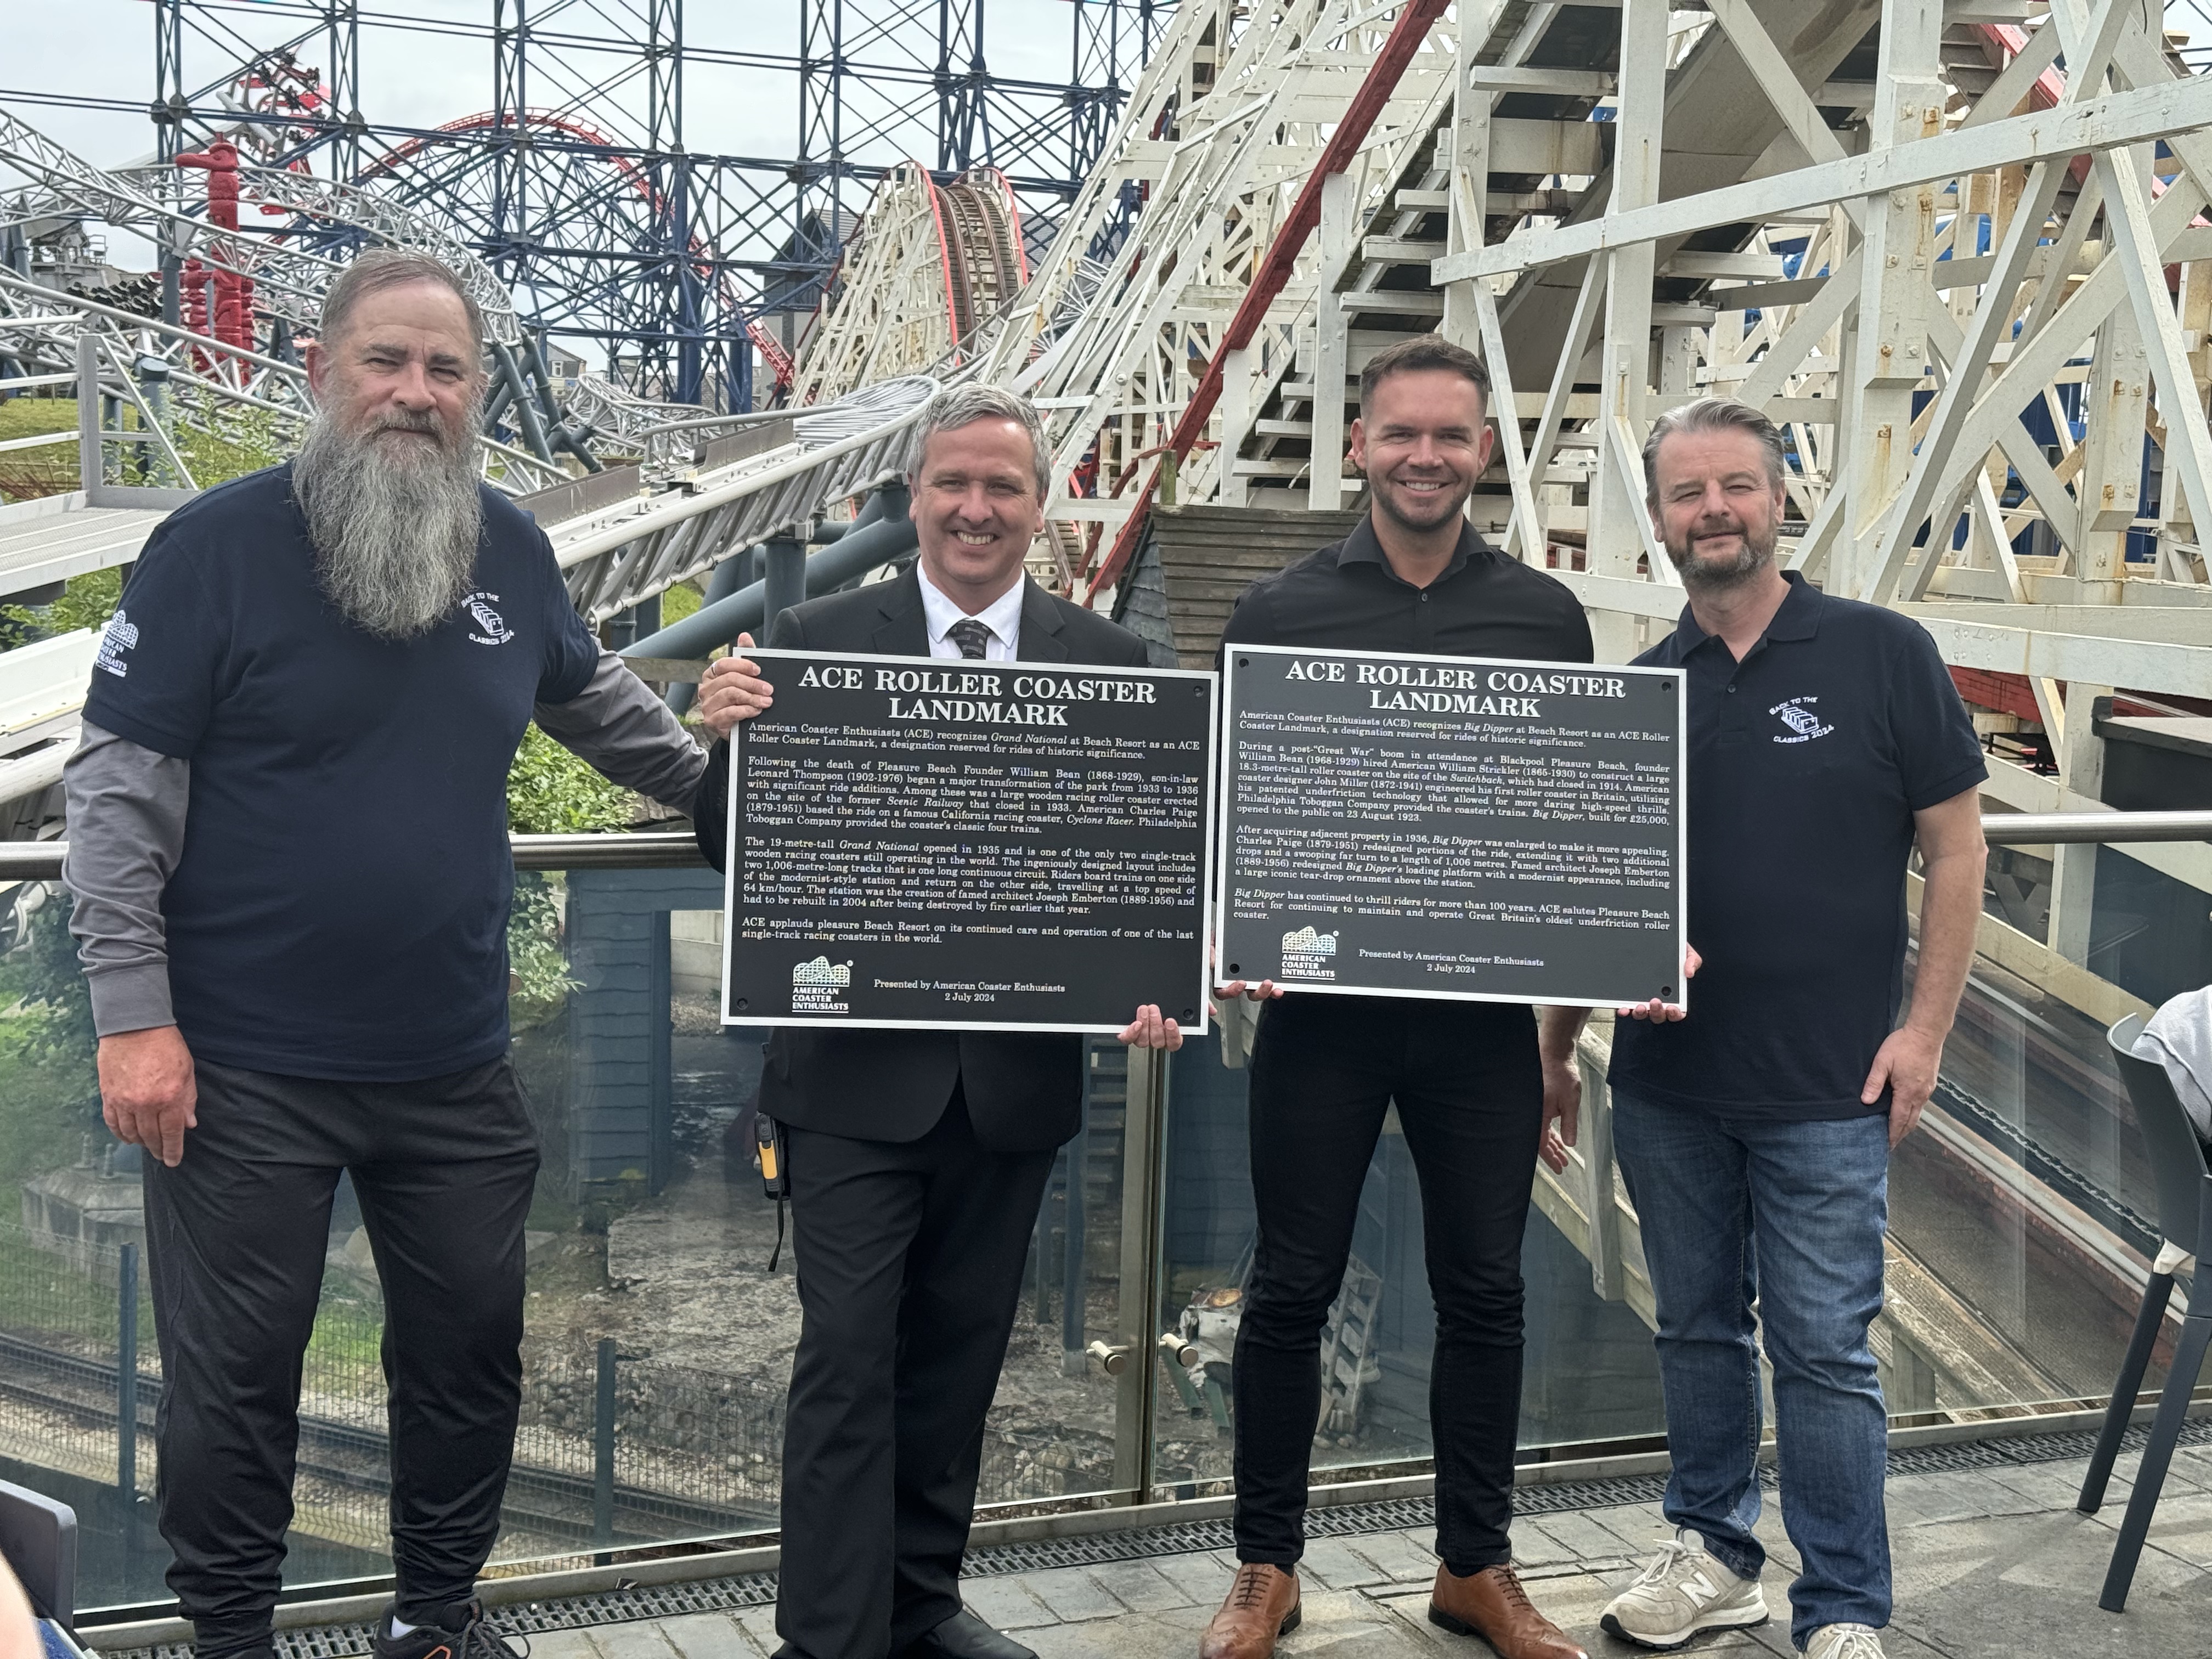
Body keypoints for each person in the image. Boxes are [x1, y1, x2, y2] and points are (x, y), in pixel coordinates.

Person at [62, 250, 709, 1659]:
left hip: (452, 1060)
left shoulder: (510, 549)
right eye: (387, 363)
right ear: (320, 370)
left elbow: (596, 703)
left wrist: (728, 799)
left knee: (471, 1358)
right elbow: (115, 799)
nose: (416, 394)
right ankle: (230, 1638)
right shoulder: (214, 550)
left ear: (476, 393)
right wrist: (132, 1019)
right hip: (239, 1065)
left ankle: (432, 1624)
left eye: (446, 370)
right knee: (235, 1382)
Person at [690, 383, 1184, 1659]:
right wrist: (723, 747)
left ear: (1039, 507)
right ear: (914, 499)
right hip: (850, 1083)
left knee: (959, 1358)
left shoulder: (1113, 665)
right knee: (848, 1360)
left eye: (1002, 488)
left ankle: (919, 1607)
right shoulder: (811, 635)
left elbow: (1142, 867)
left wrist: (1155, 977)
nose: (975, 510)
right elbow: (734, 855)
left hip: (1011, 1091)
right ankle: (826, 1637)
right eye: (953, 485)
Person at [1560, 398, 1987, 1659]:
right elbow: (1595, 890)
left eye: (1736, 486)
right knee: (1693, 1329)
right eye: (1687, 494)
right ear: (1660, 520)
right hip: (1671, 1082)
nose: (1714, 512)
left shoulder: (1880, 651)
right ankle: (1712, 1551)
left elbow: (1957, 850)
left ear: (1780, 495)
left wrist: (1927, 1035)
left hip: (1829, 1081)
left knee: (1823, 1351)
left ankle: (1846, 1601)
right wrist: (1556, 1051)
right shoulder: (1644, 691)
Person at [1201, 335, 1594, 1659]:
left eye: (1451, 437)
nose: (1425, 457)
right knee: (1289, 1290)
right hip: (1320, 1015)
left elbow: (1568, 838)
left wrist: (1562, 1038)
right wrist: (1229, 927)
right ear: (1360, 446)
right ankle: (1266, 1567)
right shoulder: (1278, 614)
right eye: (1401, 434)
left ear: (1485, 451)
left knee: (1487, 1288)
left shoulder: (1546, 618)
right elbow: (1237, 813)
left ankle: (1475, 1568)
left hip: (1480, 1024)